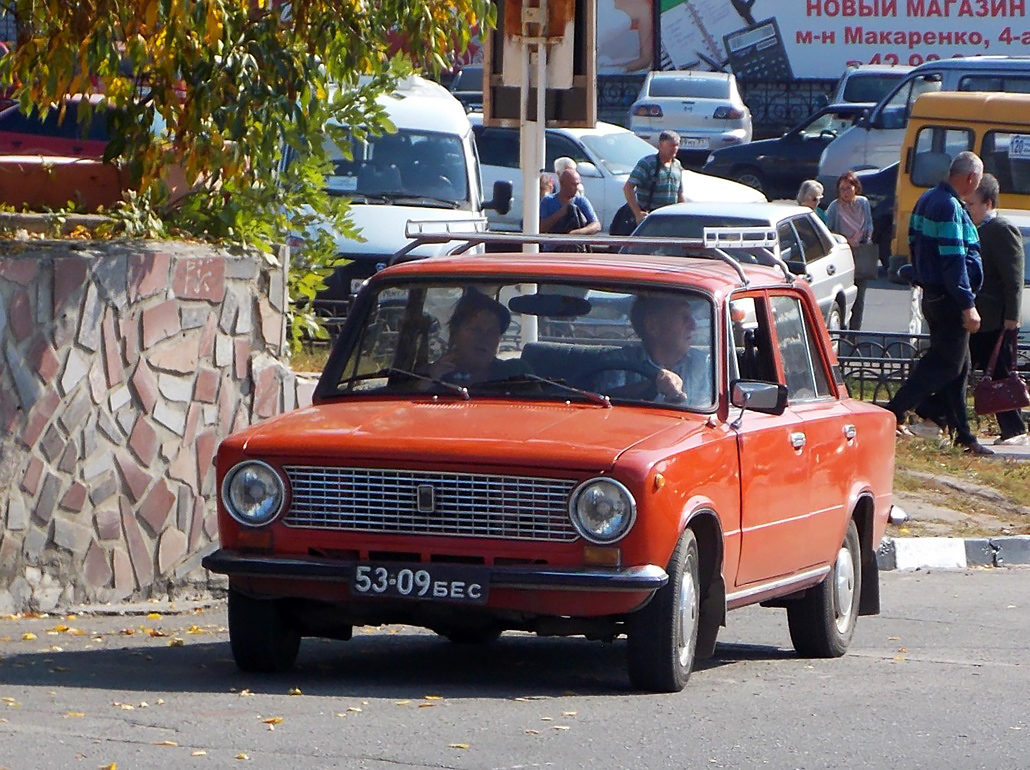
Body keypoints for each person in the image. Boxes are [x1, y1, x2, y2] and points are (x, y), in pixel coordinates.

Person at [885, 151, 992, 455]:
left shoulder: (928, 199)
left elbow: (915, 246)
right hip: (948, 299)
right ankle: (896, 409)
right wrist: (967, 303)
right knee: (945, 364)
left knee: (959, 367)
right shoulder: (947, 206)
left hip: (934, 295)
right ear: (971, 178)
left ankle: (964, 436)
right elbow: (953, 260)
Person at [965, 172, 1027, 445]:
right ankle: (936, 417)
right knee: (969, 367)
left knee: (999, 371)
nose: (969, 210)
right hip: (980, 316)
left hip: (994, 317)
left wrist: (1012, 316)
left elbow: (1013, 276)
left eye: (973, 205)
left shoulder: (1000, 229)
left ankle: (1014, 428)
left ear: (988, 203)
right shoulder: (978, 230)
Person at [595, 293, 712, 407]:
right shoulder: (616, 362)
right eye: (684, 317)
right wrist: (653, 384)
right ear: (652, 326)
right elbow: (602, 405)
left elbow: (708, 415)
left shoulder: (703, 364)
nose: (693, 325)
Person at [424, 291, 526, 385]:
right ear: (455, 333)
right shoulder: (433, 373)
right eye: (475, 330)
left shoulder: (516, 373)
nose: (484, 338)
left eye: (492, 332)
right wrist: (432, 377)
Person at [825, 170, 874, 330]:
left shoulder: (863, 203)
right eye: (842, 189)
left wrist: (864, 239)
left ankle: (855, 334)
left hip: (861, 253)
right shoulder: (835, 207)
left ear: (855, 188)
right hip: (844, 255)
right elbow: (828, 231)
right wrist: (846, 241)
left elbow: (869, 225)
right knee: (845, 295)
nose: (845, 192)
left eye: (848, 188)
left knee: (859, 297)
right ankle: (843, 331)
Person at [623, 130, 687, 228]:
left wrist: (684, 213)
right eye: (671, 145)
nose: (675, 149)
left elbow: (679, 194)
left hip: (671, 218)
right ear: (661, 145)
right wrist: (638, 213)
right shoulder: (648, 163)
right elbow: (628, 188)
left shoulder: (677, 165)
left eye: (677, 145)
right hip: (651, 218)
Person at [540, 167, 601, 242]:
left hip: (576, 248)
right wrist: (561, 213)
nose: (576, 188)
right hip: (554, 247)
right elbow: (541, 228)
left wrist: (578, 232)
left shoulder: (581, 201)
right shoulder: (548, 201)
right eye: (573, 184)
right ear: (562, 183)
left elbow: (596, 225)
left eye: (577, 184)